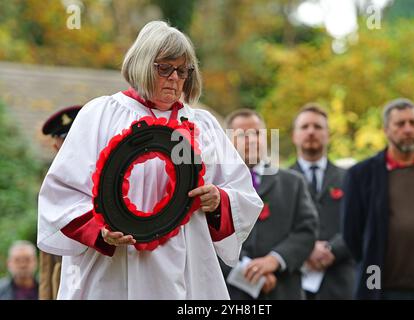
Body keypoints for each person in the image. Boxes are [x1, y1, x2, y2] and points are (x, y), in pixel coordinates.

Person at [37, 21, 263, 299]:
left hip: (187, 269)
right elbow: (61, 193)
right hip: (115, 268)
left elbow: (243, 195)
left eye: (183, 70)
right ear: (142, 65)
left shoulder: (204, 125)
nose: (174, 78)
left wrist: (218, 200)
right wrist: (100, 229)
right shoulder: (100, 114)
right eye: (164, 68)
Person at [342, 98, 414, 300]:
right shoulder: (362, 175)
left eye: (413, 123)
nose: (408, 129)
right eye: (400, 124)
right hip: (383, 291)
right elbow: (352, 234)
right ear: (386, 130)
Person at [221, 109, 318, 300]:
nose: (252, 140)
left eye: (257, 133)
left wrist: (274, 260)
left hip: (283, 289)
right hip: (231, 293)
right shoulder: (215, 185)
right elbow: (206, 239)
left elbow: (307, 231)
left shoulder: (293, 183)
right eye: (242, 135)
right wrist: (247, 272)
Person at [290, 103, 355, 300]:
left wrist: (332, 249)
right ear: (294, 135)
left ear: (328, 134)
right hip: (295, 283)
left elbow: (358, 223)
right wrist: (306, 250)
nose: (311, 132)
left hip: (341, 281)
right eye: (305, 127)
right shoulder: (282, 181)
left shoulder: (350, 178)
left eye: (318, 127)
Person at [39, 105, 82, 300]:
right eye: (64, 139)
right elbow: (46, 258)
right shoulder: (51, 184)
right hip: (65, 276)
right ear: (55, 146)